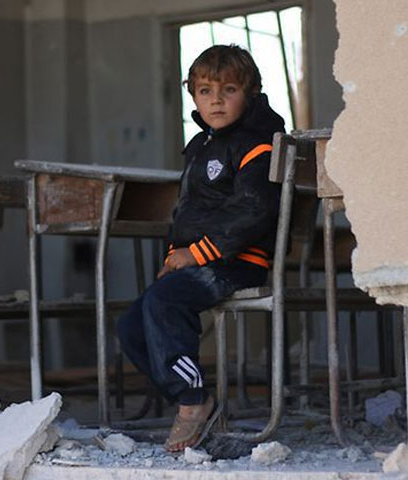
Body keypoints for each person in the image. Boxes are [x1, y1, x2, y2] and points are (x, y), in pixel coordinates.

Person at [117, 44, 286, 453]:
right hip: (202, 260)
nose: (216, 100)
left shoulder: (258, 144)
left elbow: (253, 211)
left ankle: (192, 404)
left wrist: (195, 255)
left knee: (164, 303)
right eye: (205, 91)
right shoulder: (202, 145)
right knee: (132, 326)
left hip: (236, 261)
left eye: (228, 90)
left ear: (251, 93)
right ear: (192, 95)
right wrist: (177, 258)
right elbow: (192, 212)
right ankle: (191, 397)